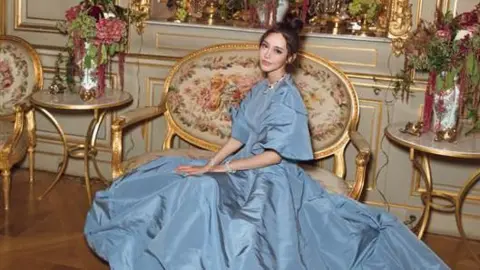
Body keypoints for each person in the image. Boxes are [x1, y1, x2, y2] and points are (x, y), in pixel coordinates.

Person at [84, 17, 449, 270]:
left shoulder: (288, 98)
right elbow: (239, 136)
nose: (266, 55)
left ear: (289, 58)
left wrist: (222, 169)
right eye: (264, 47)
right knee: (178, 178)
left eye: (276, 51)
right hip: (242, 164)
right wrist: (211, 163)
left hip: (272, 176)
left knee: (214, 200)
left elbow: (275, 155)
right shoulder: (260, 89)